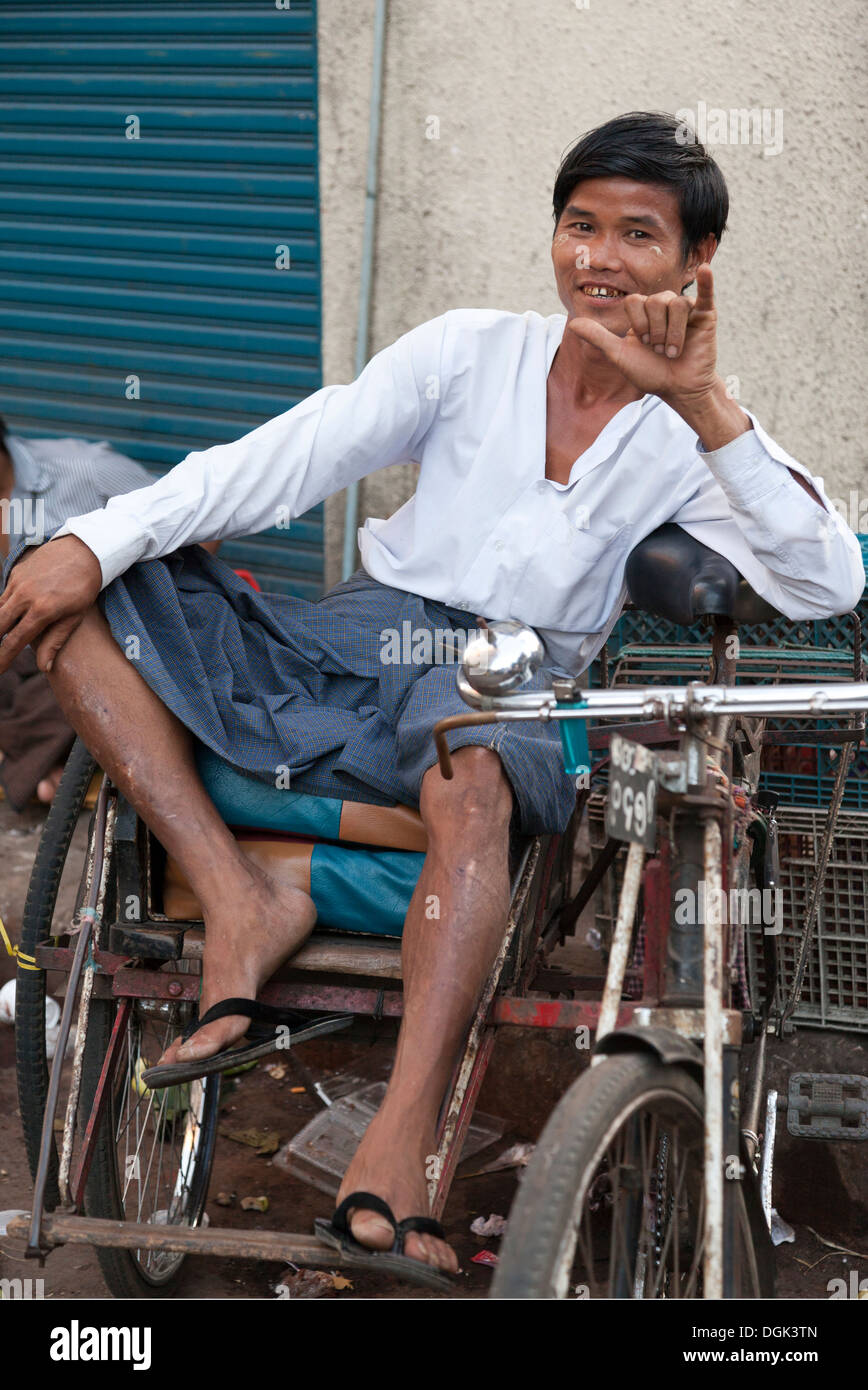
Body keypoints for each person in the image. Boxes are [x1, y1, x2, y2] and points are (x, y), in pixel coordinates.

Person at [0, 112, 863, 1277]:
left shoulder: (686, 431)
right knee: (78, 604)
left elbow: (825, 581)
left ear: (695, 262)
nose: (597, 257)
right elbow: (287, 455)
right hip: (360, 635)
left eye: (637, 235)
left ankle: (398, 1151)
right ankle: (236, 895)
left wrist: (705, 402)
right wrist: (95, 542)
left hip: (506, 679)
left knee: (468, 764)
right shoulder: (470, 351)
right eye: (578, 225)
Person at [0, 424, 156, 806]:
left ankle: (24, 762)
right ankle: (37, 762)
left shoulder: (87, 468)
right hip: (15, 640)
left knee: (86, 673)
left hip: (97, 633)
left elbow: (197, 527)